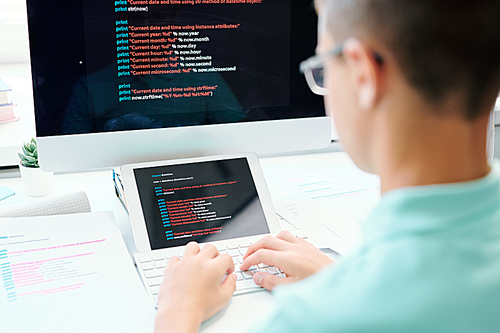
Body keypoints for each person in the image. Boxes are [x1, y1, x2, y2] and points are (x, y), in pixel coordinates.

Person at [154, 0, 500, 331]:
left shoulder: (316, 319)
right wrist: (345, 277)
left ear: (362, 74)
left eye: (323, 68)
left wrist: (177, 311)